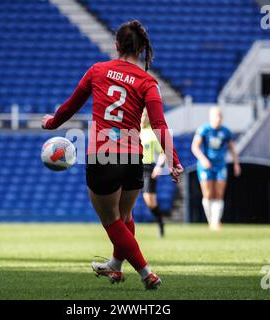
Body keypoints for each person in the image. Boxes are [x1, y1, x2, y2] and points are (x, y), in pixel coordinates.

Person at [41, 20, 183, 289]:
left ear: (116, 45)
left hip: (103, 154)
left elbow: (70, 107)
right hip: (132, 157)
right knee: (125, 217)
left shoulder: (98, 70)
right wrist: (174, 160)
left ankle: (146, 274)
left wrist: (51, 123)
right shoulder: (148, 82)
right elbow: (159, 125)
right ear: (142, 49)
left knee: (111, 220)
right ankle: (115, 268)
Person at [191, 107, 241, 231]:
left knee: (219, 194)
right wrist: (203, 159)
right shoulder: (204, 130)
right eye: (215, 116)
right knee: (208, 194)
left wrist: (236, 163)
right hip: (205, 165)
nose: (218, 119)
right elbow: (195, 147)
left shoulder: (226, 132)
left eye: (220, 116)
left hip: (220, 165)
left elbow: (232, 148)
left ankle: (216, 221)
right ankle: (211, 221)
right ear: (211, 117)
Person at [140, 109, 167, 238]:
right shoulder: (132, 130)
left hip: (148, 168)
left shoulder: (153, 133)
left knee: (150, 201)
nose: (143, 118)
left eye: (145, 115)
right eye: (142, 115)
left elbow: (164, 151)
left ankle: (160, 223)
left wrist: (158, 167)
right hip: (133, 167)